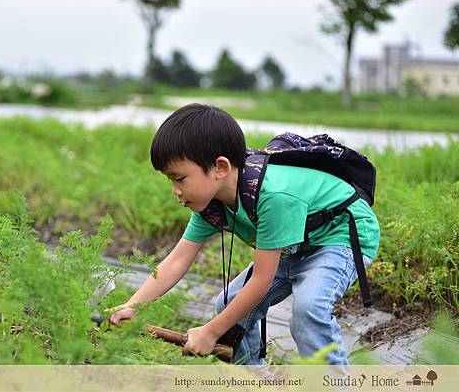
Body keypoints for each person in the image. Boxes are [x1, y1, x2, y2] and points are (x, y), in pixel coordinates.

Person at [108, 103, 380, 365]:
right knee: (228, 303)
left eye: (180, 179)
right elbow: (177, 260)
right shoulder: (212, 206)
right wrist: (132, 306)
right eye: (170, 180)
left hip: (340, 237)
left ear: (221, 167)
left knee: (308, 309)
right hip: (295, 244)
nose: (175, 190)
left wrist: (211, 332)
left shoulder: (272, 197)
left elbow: (262, 280)